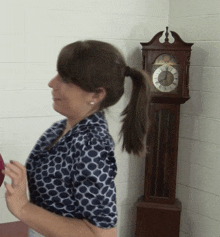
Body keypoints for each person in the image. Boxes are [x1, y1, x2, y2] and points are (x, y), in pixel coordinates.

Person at [2, 40, 150, 237]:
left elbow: (102, 234)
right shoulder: (59, 130)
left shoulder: (91, 145)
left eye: (65, 79)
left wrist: (22, 208)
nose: (51, 83)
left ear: (96, 94)